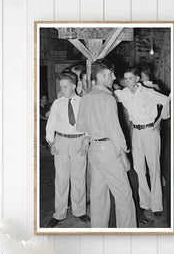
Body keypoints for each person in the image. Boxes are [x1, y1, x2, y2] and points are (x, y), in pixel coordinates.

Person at [76, 59, 136, 228]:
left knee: (98, 196)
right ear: (102, 75)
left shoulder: (86, 98)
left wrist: (94, 128)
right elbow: (114, 130)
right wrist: (124, 153)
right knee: (124, 196)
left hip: (94, 150)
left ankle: (98, 232)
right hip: (109, 150)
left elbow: (80, 126)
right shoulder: (108, 99)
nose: (114, 77)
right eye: (110, 74)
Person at [114, 65, 170, 216]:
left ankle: (157, 205)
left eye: (130, 78)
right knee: (139, 168)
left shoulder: (149, 92)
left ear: (137, 78)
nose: (127, 81)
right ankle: (145, 202)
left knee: (154, 168)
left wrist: (160, 121)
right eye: (125, 79)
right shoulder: (124, 93)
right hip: (136, 133)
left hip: (150, 131)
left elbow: (169, 100)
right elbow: (112, 92)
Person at [45, 71, 90, 227]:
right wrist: (51, 144)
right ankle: (59, 213)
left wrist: (87, 138)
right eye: (61, 87)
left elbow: (89, 122)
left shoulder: (83, 102)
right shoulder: (57, 103)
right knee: (61, 180)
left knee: (78, 178)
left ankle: (80, 211)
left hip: (78, 142)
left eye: (65, 87)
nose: (62, 89)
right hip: (61, 142)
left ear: (74, 85)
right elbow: (50, 125)